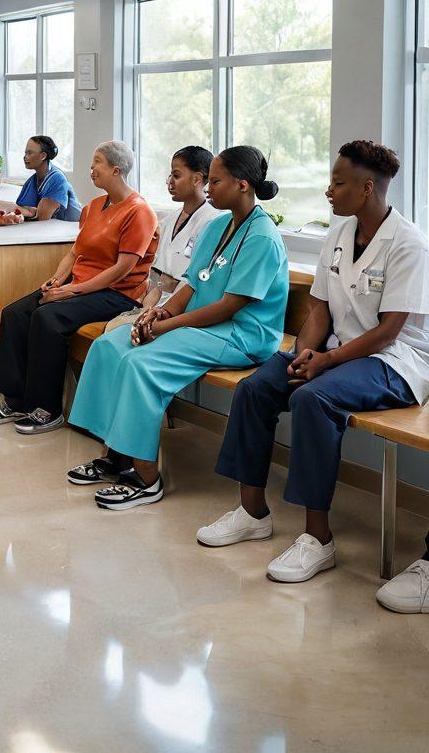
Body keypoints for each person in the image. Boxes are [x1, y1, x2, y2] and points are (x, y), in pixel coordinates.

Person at [198, 141, 429, 591]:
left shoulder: (408, 244)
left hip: (395, 361)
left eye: (338, 183)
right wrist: (304, 352)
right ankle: (252, 513)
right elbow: (319, 310)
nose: (328, 191)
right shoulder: (339, 236)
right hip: (337, 352)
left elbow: (388, 331)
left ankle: (317, 538)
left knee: (312, 399)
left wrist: (325, 361)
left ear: (366, 189)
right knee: (256, 387)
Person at [66, 146, 288, 511]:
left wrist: (169, 326)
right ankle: (115, 456)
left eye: (215, 181)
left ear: (243, 185)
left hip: (242, 334)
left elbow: (231, 306)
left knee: (142, 364)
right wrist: (159, 314)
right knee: (109, 346)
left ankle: (145, 478)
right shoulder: (219, 225)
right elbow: (192, 282)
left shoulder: (262, 236)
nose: (209, 188)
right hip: (200, 324)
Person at [0, 140, 157, 435]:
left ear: (116, 169)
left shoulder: (139, 211)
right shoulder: (93, 208)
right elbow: (75, 253)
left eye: (97, 162)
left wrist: (72, 291)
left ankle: (46, 409)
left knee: (47, 318)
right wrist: (58, 280)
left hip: (117, 294)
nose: (91, 169)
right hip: (81, 285)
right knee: (14, 313)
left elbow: (121, 269)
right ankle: (15, 400)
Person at [104, 146, 220, 332]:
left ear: (197, 179)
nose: (169, 182)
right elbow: (157, 280)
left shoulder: (213, 223)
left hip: (184, 316)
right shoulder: (167, 222)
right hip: (156, 308)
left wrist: (160, 313)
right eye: (170, 175)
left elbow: (195, 285)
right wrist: (146, 311)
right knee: (113, 330)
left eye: (176, 175)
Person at [14, 136, 82, 222]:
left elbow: (41, 218)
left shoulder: (57, 178)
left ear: (43, 156)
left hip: (74, 228)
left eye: (29, 153)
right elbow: (21, 210)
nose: (25, 157)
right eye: (25, 153)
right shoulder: (32, 181)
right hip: (53, 228)